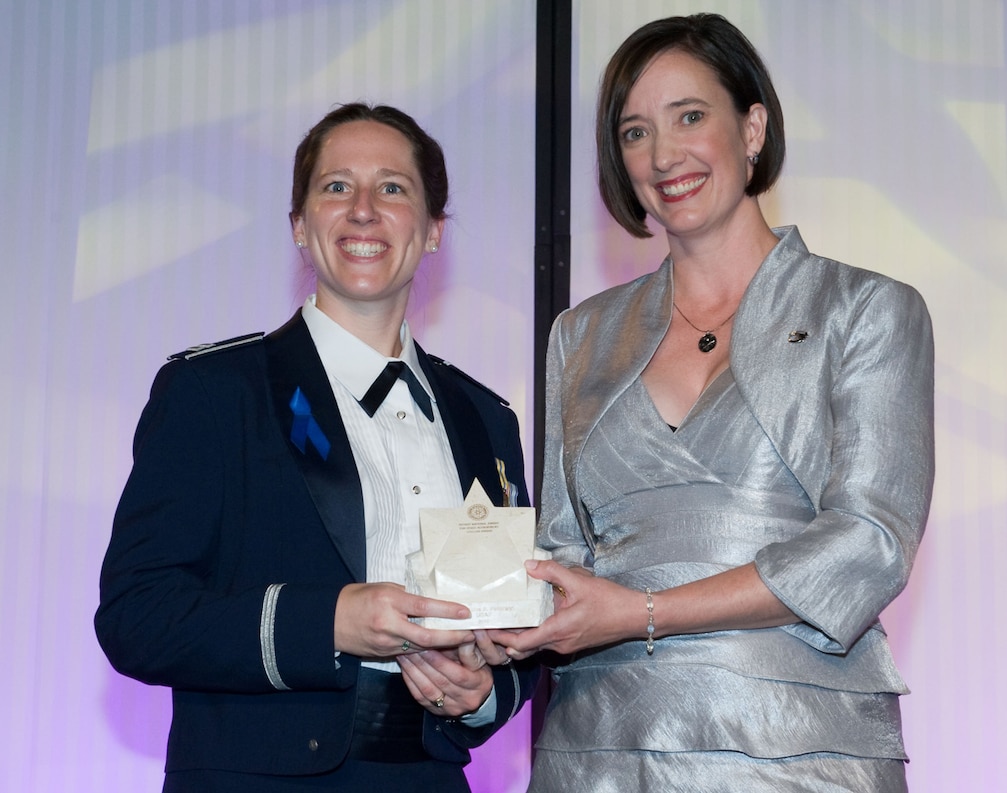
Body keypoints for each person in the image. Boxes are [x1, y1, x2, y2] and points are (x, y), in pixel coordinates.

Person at [491, 13, 934, 793]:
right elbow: (562, 554)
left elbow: (868, 544)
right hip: (599, 752)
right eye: (634, 132)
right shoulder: (581, 334)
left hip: (803, 751)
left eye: (689, 116)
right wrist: (476, 638)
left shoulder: (866, 310)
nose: (664, 156)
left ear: (753, 126)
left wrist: (642, 611)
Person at [95, 102, 536, 792]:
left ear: (432, 231)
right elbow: (137, 615)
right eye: (336, 187)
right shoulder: (214, 391)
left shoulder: (487, 419)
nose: (363, 209)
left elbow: (517, 627)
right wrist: (330, 621)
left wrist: (482, 692)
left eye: (393, 188)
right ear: (300, 227)